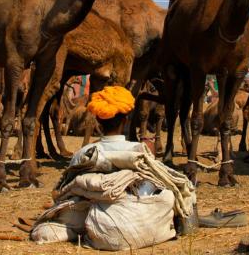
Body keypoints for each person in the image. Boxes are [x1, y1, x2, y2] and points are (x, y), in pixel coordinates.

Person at [31, 86, 197, 251]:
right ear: (126, 119)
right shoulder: (139, 151)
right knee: (167, 195)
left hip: (100, 226)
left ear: (98, 121)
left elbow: (65, 193)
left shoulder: (84, 155)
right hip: (141, 219)